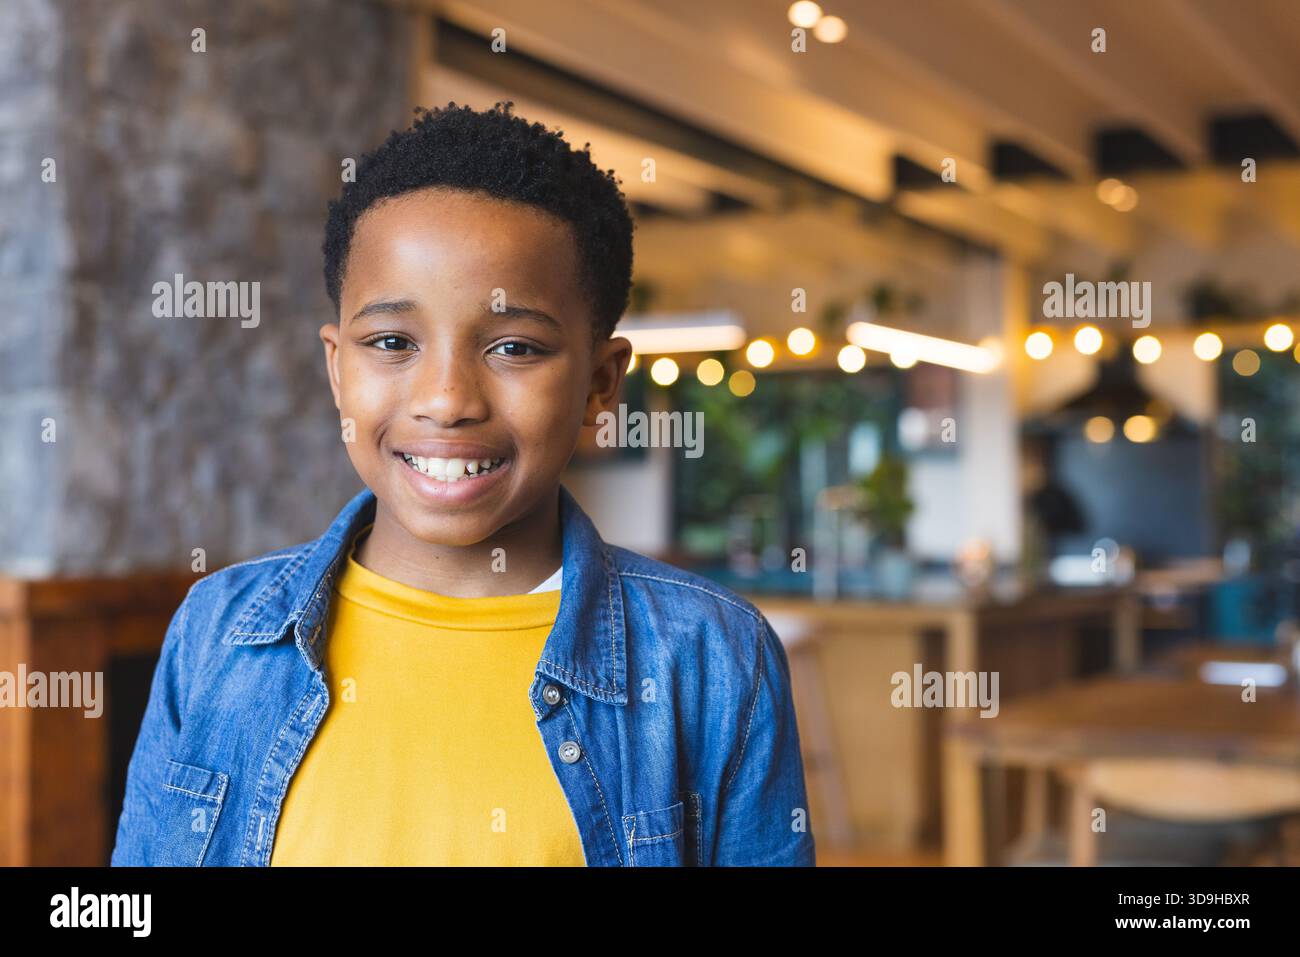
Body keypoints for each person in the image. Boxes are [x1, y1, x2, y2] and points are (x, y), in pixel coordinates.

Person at [111, 101, 815, 867]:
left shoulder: (711, 661)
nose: (447, 399)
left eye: (514, 346)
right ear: (337, 370)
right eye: (390, 342)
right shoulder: (216, 633)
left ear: (601, 383)